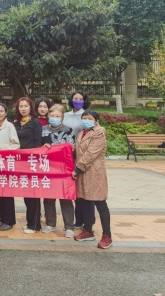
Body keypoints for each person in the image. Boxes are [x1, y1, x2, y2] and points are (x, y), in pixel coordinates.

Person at [73, 110, 112, 249]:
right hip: (83, 173)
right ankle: (88, 230)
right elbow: (78, 152)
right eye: (84, 118)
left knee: (100, 203)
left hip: (94, 172)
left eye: (89, 118)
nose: (86, 120)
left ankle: (107, 235)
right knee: (85, 201)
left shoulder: (99, 133)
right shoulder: (81, 133)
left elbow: (91, 154)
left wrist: (77, 169)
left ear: (96, 121)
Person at [41, 104, 76, 237]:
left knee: (65, 197)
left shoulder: (68, 130)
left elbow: (71, 149)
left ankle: (69, 226)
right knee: (48, 197)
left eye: (57, 116)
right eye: (52, 115)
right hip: (47, 168)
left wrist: (71, 149)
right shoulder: (43, 129)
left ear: (62, 117)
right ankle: (50, 224)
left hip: (63, 169)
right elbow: (38, 146)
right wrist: (43, 146)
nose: (54, 118)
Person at [13, 97, 44, 234]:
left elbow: (38, 142)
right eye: (21, 106)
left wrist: (35, 161)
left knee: (33, 195)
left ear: (31, 108)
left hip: (31, 163)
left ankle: (35, 225)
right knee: (26, 194)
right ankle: (29, 222)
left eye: (26, 106)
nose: (23, 109)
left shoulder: (35, 123)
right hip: (20, 163)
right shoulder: (16, 123)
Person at [63, 89, 90, 229]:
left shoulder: (87, 115)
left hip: (81, 154)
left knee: (82, 188)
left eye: (80, 99)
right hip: (67, 155)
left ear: (84, 101)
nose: (77, 101)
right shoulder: (66, 115)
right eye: (75, 98)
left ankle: (84, 220)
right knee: (72, 187)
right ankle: (77, 219)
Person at [0, 103, 20, 231]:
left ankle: (9, 221)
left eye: (1, 111)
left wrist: (0, 150)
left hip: (6, 163)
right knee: (0, 192)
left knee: (7, 193)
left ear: (6, 113)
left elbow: (16, 144)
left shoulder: (9, 126)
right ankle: (3, 218)